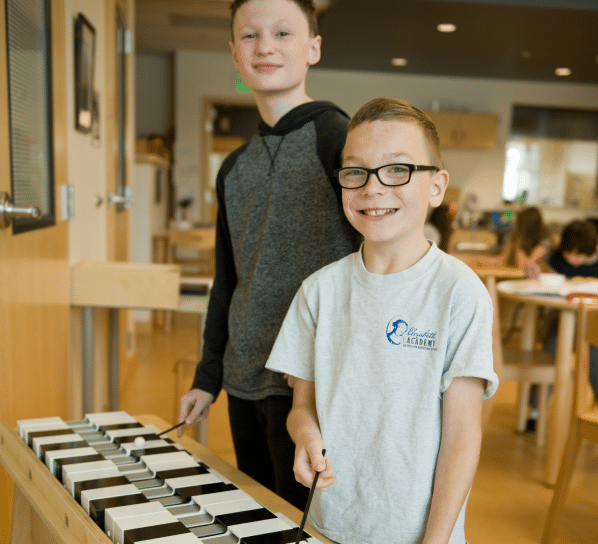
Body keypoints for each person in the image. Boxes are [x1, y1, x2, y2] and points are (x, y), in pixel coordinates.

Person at [266, 98, 498, 544]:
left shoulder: (459, 292)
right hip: (328, 523)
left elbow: (463, 435)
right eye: (356, 172)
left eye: (397, 170)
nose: (372, 188)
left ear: (436, 186)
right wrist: (306, 437)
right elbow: (301, 408)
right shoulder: (319, 291)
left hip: (422, 534)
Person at [175, 0, 359, 510]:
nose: (266, 46)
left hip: (306, 385)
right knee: (257, 517)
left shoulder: (339, 141)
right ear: (234, 53)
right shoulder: (233, 167)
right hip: (242, 378)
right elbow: (228, 278)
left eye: (283, 32)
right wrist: (208, 376)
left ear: (313, 48)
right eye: (250, 36)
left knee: (308, 523)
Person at [541, 220, 598, 403]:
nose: (574, 259)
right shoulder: (554, 258)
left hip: (593, 318)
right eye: (570, 254)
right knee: (551, 348)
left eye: (581, 255)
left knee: (593, 353)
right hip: (561, 314)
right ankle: (534, 409)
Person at [478, 206, 552, 272]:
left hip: (538, 283)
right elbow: (502, 259)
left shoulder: (544, 243)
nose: (516, 227)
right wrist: (484, 261)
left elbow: (525, 265)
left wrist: (518, 247)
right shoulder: (515, 239)